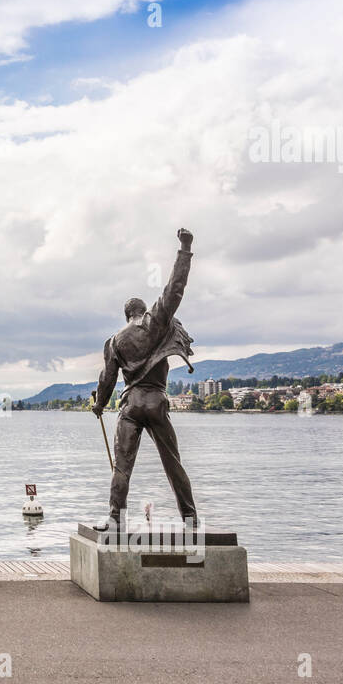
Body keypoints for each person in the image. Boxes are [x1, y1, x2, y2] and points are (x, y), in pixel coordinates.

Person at [91, 227, 200, 531]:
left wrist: (99, 405)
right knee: (173, 464)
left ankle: (115, 519)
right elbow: (174, 288)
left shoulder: (114, 341)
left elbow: (107, 380)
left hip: (131, 405)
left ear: (127, 315)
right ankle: (191, 521)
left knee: (122, 466)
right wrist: (185, 250)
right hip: (156, 402)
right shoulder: (156, 323)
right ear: (141, 312)